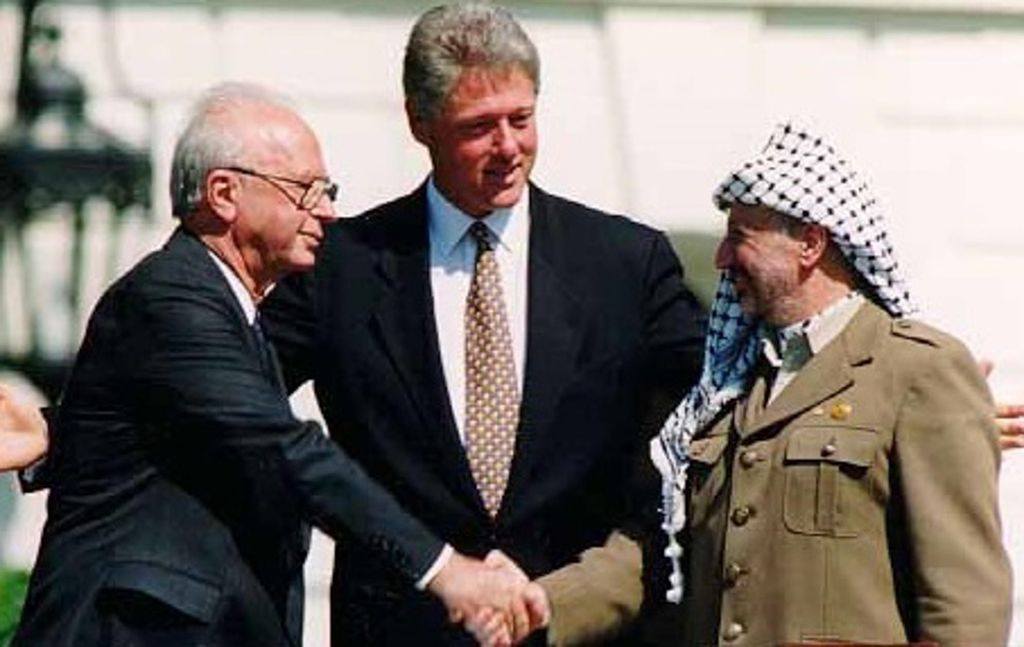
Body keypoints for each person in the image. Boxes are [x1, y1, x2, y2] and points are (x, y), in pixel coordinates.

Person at [11, 83, 527, 647]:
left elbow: (173, 425)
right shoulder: (171, 297)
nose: (327, 212)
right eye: (304, 191)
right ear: (224, 193)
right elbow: (282, 447)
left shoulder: (235, 313)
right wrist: (445, 570)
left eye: (326, 190)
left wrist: (58, 429)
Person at [259, 3, 706, 646]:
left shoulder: (625, 265)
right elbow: (228, 391)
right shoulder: (342, 269)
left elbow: (728, 398)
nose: (507, 148)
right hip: (400, 627)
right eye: (479, 127)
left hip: (577, 627)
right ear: (421, 124)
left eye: (521, 120)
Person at [498, 122, 1013, 645]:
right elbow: (664, 548)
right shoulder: (727, 387)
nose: (721, 259)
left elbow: (966, 612)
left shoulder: (918, 370)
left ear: (810, 244)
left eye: (740, 236)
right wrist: (541, 604)